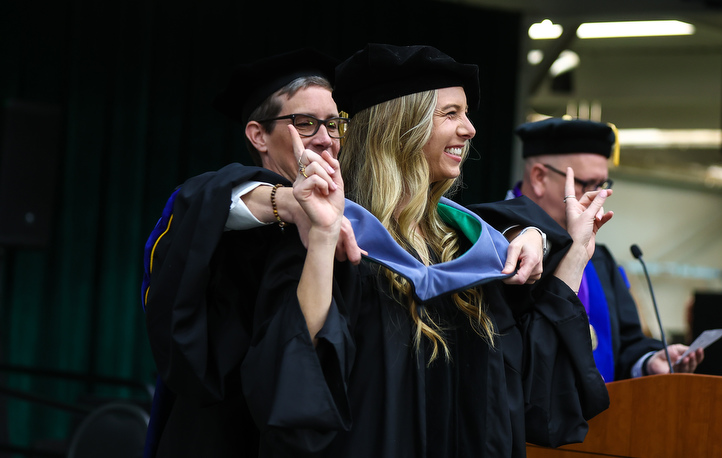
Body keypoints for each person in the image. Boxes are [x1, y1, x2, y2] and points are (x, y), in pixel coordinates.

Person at [142, 47, 555, 457]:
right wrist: (287, 205)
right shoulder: (260, 225)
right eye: (304, 123)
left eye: (334, 123)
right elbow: (206, 210)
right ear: (257, 135)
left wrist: (533, 230)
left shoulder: (425, 232)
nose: (325, 138)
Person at [238, 43, 612, 458]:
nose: (470, 129)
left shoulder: (467, 247)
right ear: (399, 127)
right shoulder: (332, 237)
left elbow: (534, 394)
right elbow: (294, 379)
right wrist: (324, 241)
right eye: (451, 114)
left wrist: (576, 250)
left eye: (467, 114)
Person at [508, 117, 704, 382]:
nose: (597, 199)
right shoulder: (498, 240)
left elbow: (627, 342)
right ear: (540, 177)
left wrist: (649, 361)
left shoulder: (600, 259)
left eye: (602, 186)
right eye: (586, 184)